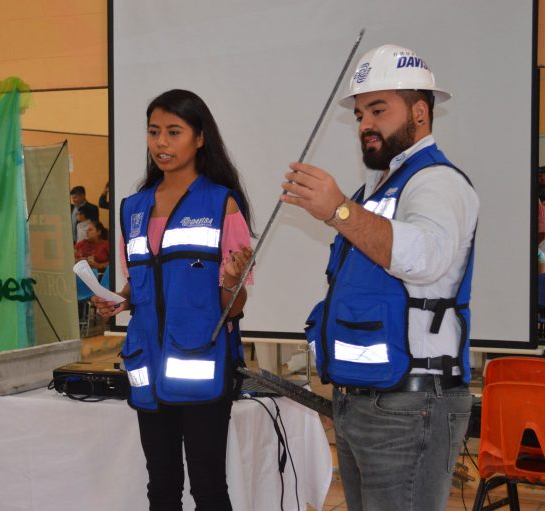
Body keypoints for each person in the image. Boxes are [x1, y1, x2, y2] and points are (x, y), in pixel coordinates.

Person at [280, 44, 478, 511]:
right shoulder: (376, 189)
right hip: (365, 402)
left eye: (379, 109)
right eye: (361, 113)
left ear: (421, 112)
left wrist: (339, 210)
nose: (365, 123)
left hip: (410, 407)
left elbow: (424, 258)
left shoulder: (437, 183)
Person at [92, 89, 254, 510]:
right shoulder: (133, 208)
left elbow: (233, 308)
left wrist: (234, 281)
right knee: (160, 490)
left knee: (208, 490)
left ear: (200, 138)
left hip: (202, 371)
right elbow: (140, 285)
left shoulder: (222, 204)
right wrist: (118, 301)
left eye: (173, 132)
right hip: (147, 368)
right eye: (153, 132)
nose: (161, 143)